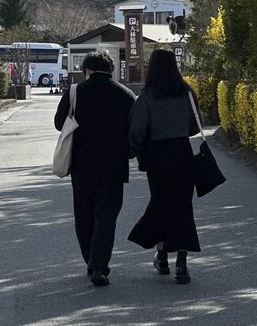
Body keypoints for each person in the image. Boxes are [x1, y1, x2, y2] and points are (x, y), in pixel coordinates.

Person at [54, 50, 135, 287]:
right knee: (106, 217)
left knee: (85, 215)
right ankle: (99, 265)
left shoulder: (75, 92)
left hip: (81, 166)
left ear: (86, 71)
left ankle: (91, 259)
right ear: (110, 69)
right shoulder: (126, 94)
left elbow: (59, 124)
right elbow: (134, 130)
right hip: (113, 166)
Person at [127, 48, 202, 284]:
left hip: (157, 156)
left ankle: (161, 255)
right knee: (182, 206)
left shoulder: (148, 95)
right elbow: (195, 123)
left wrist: (134, 152)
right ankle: (182, 263)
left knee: (160, 204)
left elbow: (137, 129)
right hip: (183, 153)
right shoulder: (186, 92)